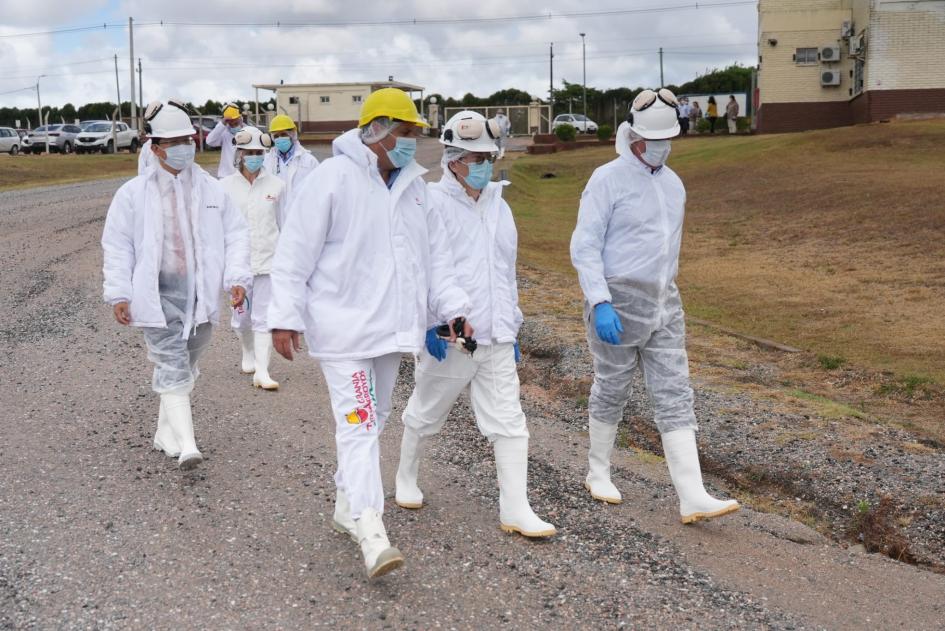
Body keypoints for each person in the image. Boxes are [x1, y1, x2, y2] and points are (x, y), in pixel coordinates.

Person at [267, 88, 473, 579]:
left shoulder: (415, 188)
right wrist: (284, 316)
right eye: (405, 133)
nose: (411, 143)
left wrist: (453, 309)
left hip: (389, 332)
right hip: (341, 331)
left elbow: (435, 259)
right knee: (358, 423)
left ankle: (345, 503)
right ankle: (370, 528)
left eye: (415, 135)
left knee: (374, 421)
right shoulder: (332, 180)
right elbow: (295, 253)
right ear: (376, 130)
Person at [569, 88, 740, 524]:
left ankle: (692, 494)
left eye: (668, 140)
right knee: (613, 386)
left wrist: (665, 293)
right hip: (616, 301)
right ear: (634, 135)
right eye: (654, 140)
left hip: (664, 301)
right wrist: (600, 301)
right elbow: (585, 245)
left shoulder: (673, 183)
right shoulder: (607, 179)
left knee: (674, 391)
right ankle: (598, 471)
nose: (661, 148)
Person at [395, 111, 555, 539]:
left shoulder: (500, 207)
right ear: (452, 159)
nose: (485, 165)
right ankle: (405, 477)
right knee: (427, 413)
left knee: (510, 422)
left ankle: (516, 509)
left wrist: (512, 326)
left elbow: (506, 271)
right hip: (451, 336)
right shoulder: (431, 203)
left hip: (496, 336)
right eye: (476, 158)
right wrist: (440, 321)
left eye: (488, 156)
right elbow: (428, 270)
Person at [101, 99, 251, 470]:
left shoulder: (212, 190)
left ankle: (164, 433)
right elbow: (117, 245)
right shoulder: (133, 194)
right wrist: (119, 291)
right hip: (156, 292)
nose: (185, 147)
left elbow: (236, 235)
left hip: (199, 293)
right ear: (155, 147)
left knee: (187, 363)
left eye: (189, 139)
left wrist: (236, 278)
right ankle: (187, 445)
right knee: (171, 363)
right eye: (174, 141)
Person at [220, 126, 285, 390]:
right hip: (239, 264)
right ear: (239, 154)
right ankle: (247, 351)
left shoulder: (277, 185)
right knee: (242, 317)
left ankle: (262, 370)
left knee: (264, 317)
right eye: (249, 153)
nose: (254, 157)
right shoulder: (224, 187)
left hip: (269, 260)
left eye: (259, 152)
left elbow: (285, 222)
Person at [264, 114, 320, 208]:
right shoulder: (266, 160)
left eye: (283, 134)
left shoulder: (309, 161)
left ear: (292, 134)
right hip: (274, 217)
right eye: (276, 136)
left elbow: (318, 191)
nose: (280, 138)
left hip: (300, 216)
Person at [205, 102, 244, 178]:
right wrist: (222, 124)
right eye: (230, 123)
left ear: (240, 118)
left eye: (235, 122)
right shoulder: (224, 133)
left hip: (243, 177)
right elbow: (209, 141)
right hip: (226, 176)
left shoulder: (249, 131)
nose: (233, 124)